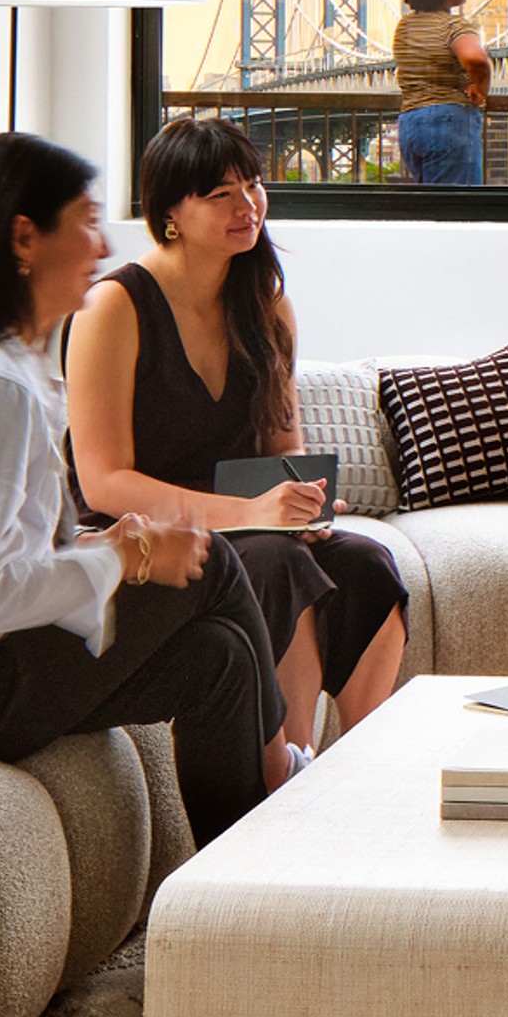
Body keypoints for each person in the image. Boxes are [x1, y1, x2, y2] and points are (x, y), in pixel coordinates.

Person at [0, 131, 285, 848]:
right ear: (24, 239)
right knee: (212, 564)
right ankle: (282, 777)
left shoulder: (7, 368)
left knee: (216, 657)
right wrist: (126, 560)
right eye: (88, 222)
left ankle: (236, 886)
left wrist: (99, 545)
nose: (103, 250)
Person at [68, 117, 410, 768]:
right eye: (220, 193)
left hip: (248, 527)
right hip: (148, 538)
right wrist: (252, 515)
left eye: (252, 184)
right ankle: (287, 774)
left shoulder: (266, 304)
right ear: (169, 211)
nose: (247, 204)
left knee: (366, 565)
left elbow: (283, 448)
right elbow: (104, 482)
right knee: (279, 566)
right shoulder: (113, 308)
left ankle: (363, 769)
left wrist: (304, 505)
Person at [391, 0, 491, 186]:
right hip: (448, 122)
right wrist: (480, 89)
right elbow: (475, 59)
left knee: (432, 208)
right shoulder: (454, 26)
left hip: (411, 124)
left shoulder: (404, 27)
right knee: (456, 211)